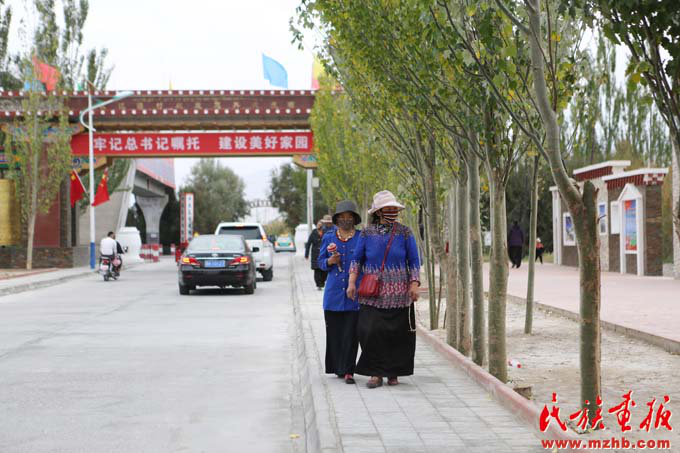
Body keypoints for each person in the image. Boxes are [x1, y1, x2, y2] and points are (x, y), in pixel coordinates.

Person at [347, 190, 420, 389]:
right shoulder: (367, 233)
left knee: (397, 334)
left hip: (399, 294)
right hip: (372, 293)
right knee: (370, 332)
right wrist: (352, 283)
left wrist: (414, 284)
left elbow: (414, 260)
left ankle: (393, 372)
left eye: (394, 209)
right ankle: (375, 373)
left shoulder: (405, 233)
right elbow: (357, 260)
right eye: (388, 209)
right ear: (378, 212)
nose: (392, 212)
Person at [317, 201, 363, 385]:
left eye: (349, 217)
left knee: (351, 334)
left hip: (355, 294)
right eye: (342, 217)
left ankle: (349, 370)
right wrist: (330, 261)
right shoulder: (329, 237)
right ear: (336, 219)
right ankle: (338, 367)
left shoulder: (361, 237)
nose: (345, 220)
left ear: (354, 219)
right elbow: (320, 262)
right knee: (335, 333)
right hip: (333, 295)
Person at [305, 219, 328, 290]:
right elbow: (308, 244)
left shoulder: (326, 233)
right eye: (318, 225)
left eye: (320, 225)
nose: (318, 226)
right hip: (315, 254)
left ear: (322, 226)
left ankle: (322, 282)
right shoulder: (313, 233)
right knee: (317, 270)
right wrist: (306, 254)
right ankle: (319, 284)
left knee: (324, 270)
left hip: (324, 254)